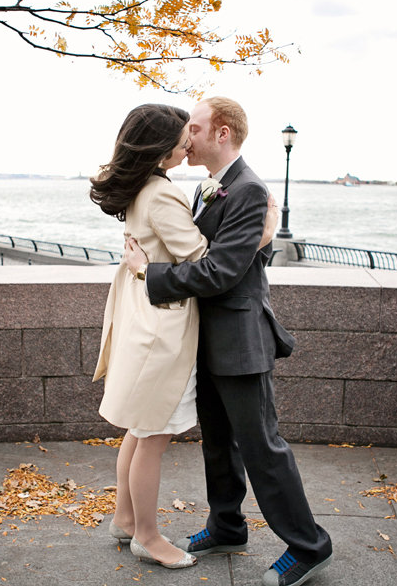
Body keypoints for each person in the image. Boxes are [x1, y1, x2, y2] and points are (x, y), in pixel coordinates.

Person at [124, 96, 333, 586]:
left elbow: (218, 271)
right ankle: (227, 526)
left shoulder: (249, 189)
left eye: (193, 127)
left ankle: (309, 545)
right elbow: (221, 255)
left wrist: (148, 273)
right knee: (218, 444)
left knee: (262, 447)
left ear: (222, 133)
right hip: (205, 338)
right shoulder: (206, 188)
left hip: (240, 340)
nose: (185, 135)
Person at [90, 103, 278, 569]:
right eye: (181, 135)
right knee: (153, 435)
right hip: (164, 335)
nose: (187, 141)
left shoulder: (144, 189)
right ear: (162, 146)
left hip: (147, 323)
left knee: (139, 431)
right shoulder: (163, 194)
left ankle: (125, 519)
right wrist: (262, 231)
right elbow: (204, 259)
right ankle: (148, 538)